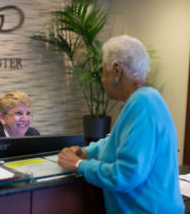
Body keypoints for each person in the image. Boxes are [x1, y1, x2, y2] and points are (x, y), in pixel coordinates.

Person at [58, 35, 185, 213]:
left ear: (117, 71)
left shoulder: (143, 104)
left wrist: (80, 165)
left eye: (104, 72)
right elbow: (116, 142)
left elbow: (126, 175)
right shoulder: (143, 100)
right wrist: (87, 152)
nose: (102, 79)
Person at [0, 91, 40, 159]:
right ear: (2, 118)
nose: (25, 119)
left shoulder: (34, 134)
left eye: (28, 113)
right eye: (19, 113)